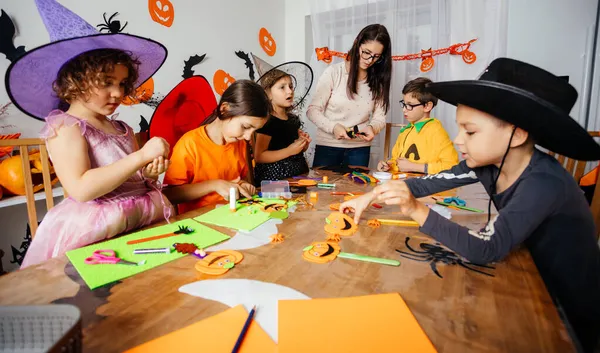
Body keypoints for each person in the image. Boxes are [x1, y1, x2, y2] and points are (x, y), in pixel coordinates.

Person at [341, 58, 600, 352]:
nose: (458, 140)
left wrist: (415, 209)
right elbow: (426, 183)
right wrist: (371, 195)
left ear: (518, 134)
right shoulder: (487, 165)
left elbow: (485, 249)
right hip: (529, 277)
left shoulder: (543, 183)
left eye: (470, 131)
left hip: (564, 313)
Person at [10, 0, 172, 268]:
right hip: (95, 233)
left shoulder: (122, 128)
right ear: (76, 81)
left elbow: (126, 176)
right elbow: (82, 188)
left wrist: (147, 172)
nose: (119, 93)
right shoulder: (65, 126)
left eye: (121, 84)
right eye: (107, 83)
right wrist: (141, 156)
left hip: (137, 220)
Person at [163, 80, 271, 214]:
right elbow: (169, 195)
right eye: (245, 127)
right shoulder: (190, 143)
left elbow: (238, 179)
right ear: (224, 109)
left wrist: (242, 186)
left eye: (253, 131)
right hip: (200, 222)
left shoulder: (240, 143)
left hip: (234, 215)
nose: (248, 137)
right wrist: (215, 185)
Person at [307, 24, 392, 168]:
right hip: (328, 147)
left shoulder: (377, 81)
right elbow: (312, 110)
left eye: (376, 56)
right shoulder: (334, 73)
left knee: (358, 189)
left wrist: (372, 128)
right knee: (321, 189)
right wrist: (333, 127)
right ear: (357, 44)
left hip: (360, 150)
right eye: (366, 52)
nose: (370, 60)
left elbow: (379, 118)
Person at [377, 77, 458, 174]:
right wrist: (389, 166)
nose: (404, 109)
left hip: (426, 186)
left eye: (410, 105)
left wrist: (415, 167)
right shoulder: (406, 131)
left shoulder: (435, 131)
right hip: (405, 184)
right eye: (404, 104)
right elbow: (399, 162)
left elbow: (451, 166)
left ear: (427, 106)